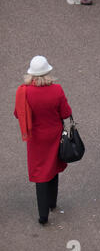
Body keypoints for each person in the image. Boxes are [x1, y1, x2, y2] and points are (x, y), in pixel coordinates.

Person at [14, 56, 73, 225]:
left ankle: (43, 216)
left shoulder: (24, 92)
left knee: (40, 172)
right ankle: (52, 204)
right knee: (53, 167)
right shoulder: (57, 89)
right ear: (48, 72)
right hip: (54, 136)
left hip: (36, 139)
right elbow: (66, 113)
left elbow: (18, 114)